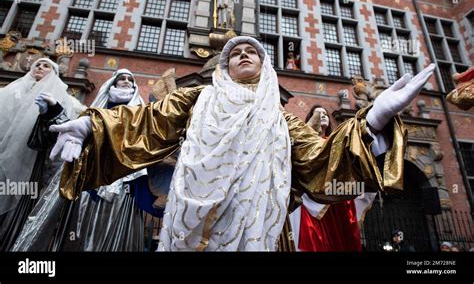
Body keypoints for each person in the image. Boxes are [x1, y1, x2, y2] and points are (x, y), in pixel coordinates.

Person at [50, 36, 435, 251]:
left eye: (252, 51)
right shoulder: (198, 99)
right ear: (225, 66)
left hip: (262, 235)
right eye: (235, 53)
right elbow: (147, 122)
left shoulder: (281, 120)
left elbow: (322, 161)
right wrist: (91, 126)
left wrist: (373, 119)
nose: (244, 55)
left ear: (265, 66)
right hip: (191, 227)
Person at [13, 69, 153, 251]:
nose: (126, 81)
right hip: (89, 180)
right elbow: (73, 128)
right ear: (113, 84)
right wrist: (54, 109)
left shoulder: (141, 115)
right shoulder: (94, 111)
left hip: (124, 184)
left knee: (114, 235)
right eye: (121, 79)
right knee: (79, 231)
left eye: (130, 79)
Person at [0, 58, 84, 251]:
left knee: (18, 202)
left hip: (30, 161)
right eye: (37, 64)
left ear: (54, 72)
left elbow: (64, 129)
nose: (40, 67)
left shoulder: (62, 97)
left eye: (46, 65)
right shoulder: (12, 91)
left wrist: (49, 113)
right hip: (3, 155)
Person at [288, 106, 376, 251]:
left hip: (336, 199)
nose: (322, 115)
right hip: (311, 198)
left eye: (325, 113)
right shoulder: (304, 142)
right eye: (317, 113)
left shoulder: (335, 142)